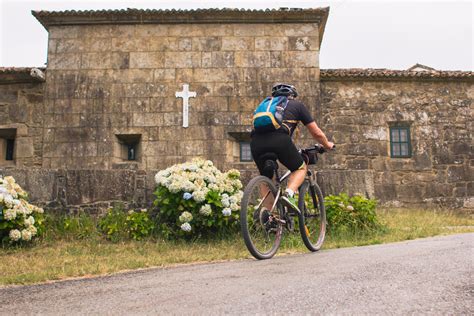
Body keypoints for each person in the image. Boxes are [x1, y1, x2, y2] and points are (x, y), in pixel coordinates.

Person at [250, 83, 334, 210]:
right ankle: (289, 194)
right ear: (291, 95)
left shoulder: (263, 107)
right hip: (279, 141)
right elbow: (316, 132)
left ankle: (269, 215)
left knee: (266, 177)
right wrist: (327, 145)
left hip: (256, 142)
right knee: (300, 168)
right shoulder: (297, 106)